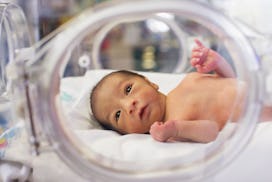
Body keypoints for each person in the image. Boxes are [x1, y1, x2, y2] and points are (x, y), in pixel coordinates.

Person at [90, 39, 271, 143]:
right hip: (259, 113)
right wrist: (177, 129)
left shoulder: (188, 80)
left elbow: (228, 81)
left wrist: (217, 63)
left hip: (260, 88)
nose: (129, 105)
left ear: (151, 82)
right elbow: (212, 131)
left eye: (128, 89)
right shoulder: (173, 126)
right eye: (118, 115)